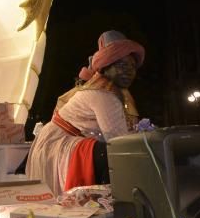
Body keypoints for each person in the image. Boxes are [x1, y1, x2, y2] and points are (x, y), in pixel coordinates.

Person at [27, 31, 145, 194]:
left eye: (132, 66)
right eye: (122, 65)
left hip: (60, 142)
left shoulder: (112, 91)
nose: (129, 71)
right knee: (113, 154)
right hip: (57, 146)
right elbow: (118, 140)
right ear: (106, 67)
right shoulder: (104, 94)